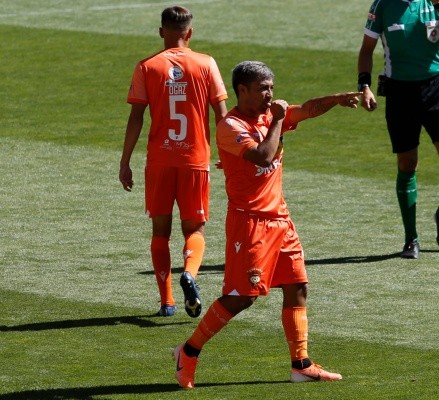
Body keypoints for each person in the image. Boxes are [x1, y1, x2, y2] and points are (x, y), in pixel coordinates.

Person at [172, 61, 361, 388]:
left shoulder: (267, 115)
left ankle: (301, 364)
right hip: (250, 224)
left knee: (297, 286)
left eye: (271, 87)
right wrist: (277, 120)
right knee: (242, 297)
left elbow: (307, 110)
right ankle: (188, 352)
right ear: (242, 90)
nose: (270, 94)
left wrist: (337, 99)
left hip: (280, 220)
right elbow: (263, 156)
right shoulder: (231, 126)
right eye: (263, 88)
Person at [119, 6, 228, 317]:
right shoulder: (206, 63)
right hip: (195, 160)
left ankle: (166, 301)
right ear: (189, 33)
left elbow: (136, 117)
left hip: (159, 161)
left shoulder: (146, 66)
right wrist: (227, 153)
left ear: (160, 32)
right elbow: (222, 116)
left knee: (160, 232)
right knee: (195, 229)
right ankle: (189, 274)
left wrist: (125, 162)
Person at [357, 0, 439, 259]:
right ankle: (411, 238)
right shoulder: (383, 5)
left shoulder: (437, 3)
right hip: (400, 94)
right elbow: (366, 49)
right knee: (407, 163)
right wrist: (364, 86)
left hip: (437, 90)